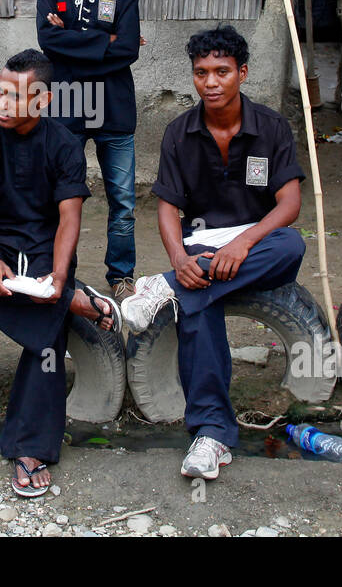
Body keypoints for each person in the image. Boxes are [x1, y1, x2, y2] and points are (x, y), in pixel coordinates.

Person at [120, 25, 306, 481]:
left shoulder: (271, 128)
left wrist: (243, 242)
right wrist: (180, 260)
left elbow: (290, 204)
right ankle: (211, 435)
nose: (211, 82)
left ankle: (162, 286)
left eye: (222, 71)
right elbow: (167, 210)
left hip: (259, 246)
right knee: (198, 299)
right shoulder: (180, 134)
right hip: (203, 248)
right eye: (201, 73)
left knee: (293, 243)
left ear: (242, 73)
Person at [0, 49, 119, 498]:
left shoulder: (62, 144)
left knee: (46, 330)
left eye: (14, 96)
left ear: (41, 100)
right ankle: (75, 302)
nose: (2, 103)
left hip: (42, 251)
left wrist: (57, 277)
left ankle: (30, 449)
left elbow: (70, 218)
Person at [36, 0, 142, 302]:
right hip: (68, 102)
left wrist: (75, 40)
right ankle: (66, 274)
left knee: (124, 201)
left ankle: (121, 276)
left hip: (113, 105)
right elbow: (48, 43)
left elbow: (128, 48)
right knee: (64, 195)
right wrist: (104, 40)